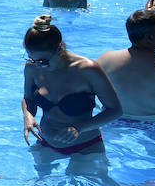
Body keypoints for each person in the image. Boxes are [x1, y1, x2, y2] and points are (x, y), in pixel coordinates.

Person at [21, 14, 122, 161]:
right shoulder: (32, 67)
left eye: (43, 60)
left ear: (59, 48)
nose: (38, 65)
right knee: (38, 183)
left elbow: (115, 110)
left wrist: (79, 127)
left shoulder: (88, 70)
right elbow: (28, 98)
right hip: (46, 142)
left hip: (86, 146)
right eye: (32, 58)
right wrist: (28, 116)